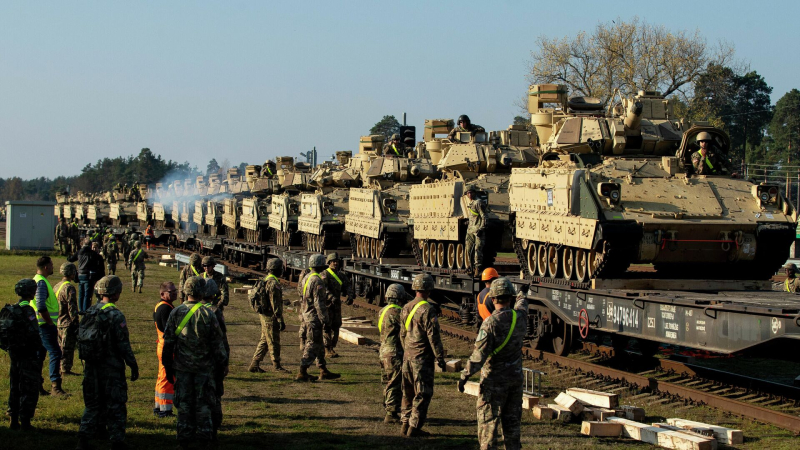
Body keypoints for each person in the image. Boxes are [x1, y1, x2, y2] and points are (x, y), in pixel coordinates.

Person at [458, 277, 528, 450]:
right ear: (510, 297)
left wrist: (464, 376)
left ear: (493, 299)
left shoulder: (489, 324)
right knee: (512, 429)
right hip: (515, 382)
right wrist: (522, 293)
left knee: (488, 428)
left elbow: (478, 356)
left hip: (494, 383)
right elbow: (522, 304)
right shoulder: (519, 317)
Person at [162, 277, 228, 449]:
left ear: (185, 291)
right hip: (204, 370)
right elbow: (218, 347)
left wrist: (168, 368)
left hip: (182, 369)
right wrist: (222, 368)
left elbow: (168, 344)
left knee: (184, 405)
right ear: (201, 292)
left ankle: (184, 440)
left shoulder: (175, 313)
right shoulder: (209, 314)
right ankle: (205, 439)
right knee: (204, 405)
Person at [76, 275, 139, 450]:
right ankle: (117, 441)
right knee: (116, 404)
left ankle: (84, 437)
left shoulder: (89, 311)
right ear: (115, 293)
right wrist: (132, 364)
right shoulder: (116, 315)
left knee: (93, 404)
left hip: (91, 365)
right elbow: (123, 344)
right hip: (111, 367)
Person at [400, 273, 445, 437]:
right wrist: (440, 357)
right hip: (421, 358)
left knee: (408, 391)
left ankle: (404, 423)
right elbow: (434, 337)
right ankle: (414, 427)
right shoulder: (428, 310)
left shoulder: (406, 307)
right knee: (423, 392)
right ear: (429, 289)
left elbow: (402, 334)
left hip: (407, 356)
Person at [3, 279, 46, 430]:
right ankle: (25, 421)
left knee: (15, 386)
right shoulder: (28, 310)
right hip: (28, 355)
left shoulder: (12, 309)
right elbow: (34, 334)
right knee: (29, 388)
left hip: (15, 354)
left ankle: (13, 420)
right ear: (31, 292)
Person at [295, 254, 340, 382]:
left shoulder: (307, 277)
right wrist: (325, 320)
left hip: (307, 313)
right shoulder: (318, 280)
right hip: (314, 316)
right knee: (312, 343)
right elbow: (319, 303)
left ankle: (323, 369)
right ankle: (302, 371)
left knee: (319, 344)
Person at [32, 256, 68, 396]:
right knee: (55, 353)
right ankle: (55, 386)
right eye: (52, 265)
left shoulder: (38, 280)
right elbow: (41, 306)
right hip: (44, 325)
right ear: (46, 267)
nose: (53, 267)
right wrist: (49, 323)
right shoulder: (41, 283)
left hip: (39, 325)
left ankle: (37, 385)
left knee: (40, 355)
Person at [202, 279, 230, 439]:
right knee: (214, 394)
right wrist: (225, 362)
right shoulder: (215, 312)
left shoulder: (184, 311)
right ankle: (213, 426)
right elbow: (222, 341)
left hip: (192, 362)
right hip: (212, 362)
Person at [249, 258, 287, 373]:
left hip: (264, 314)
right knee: (274, 340)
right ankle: (277, 365)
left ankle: (255, 364)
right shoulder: (274, 283)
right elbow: (275, 304)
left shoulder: (265, 280)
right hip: (271, 316)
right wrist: (280, 319)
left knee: (265, 339)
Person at [379, 283, 409, 424]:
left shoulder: (383, 311)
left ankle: (387, 406)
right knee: (394, 382)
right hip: (394, 351)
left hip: (383, 350)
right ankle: (391, 413)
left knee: (386, 380)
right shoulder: (398, 312)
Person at [321, 252, 354, 358]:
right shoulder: (325, 274)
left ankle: (332, 347)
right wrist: (331, 297)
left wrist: (350, 295)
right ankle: (327, 349)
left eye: (337, 262)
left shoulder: (341, 275)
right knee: (327, 327)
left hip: (337, 305)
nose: (335, 264)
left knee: (336, 326)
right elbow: (323, 289)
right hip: (327, 305)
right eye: (333, 262)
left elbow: (348, 285)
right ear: (329, 263)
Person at [153, 282, 177, 418]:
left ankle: (159, 405)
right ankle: (165, 409)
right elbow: (168, 330)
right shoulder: (165, 309)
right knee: (167, 378)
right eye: (171, 291)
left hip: (161, 345)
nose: (174, 293)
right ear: (162, 294)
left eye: (175, 290)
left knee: (161, 376)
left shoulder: (160, 306)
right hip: (166, 347)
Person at [54, 262, 80, 376]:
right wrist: (75, 321)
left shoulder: (57, 285)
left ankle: (59, 366)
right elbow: (72, 306)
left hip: (57, 320)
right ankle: (65, 369)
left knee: (60, 345)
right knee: (67, 347)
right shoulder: (69, 287)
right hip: (67, 322)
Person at [68, 239, 100, 312]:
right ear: (90, 245)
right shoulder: (91, 253)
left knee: (81, 293)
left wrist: (69, 255)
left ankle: (81, 309)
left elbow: (71, 259)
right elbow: (98, 259)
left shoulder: (79, 252)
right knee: (87, 294)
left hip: (80, 274)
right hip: (87, 274)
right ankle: (85, 310)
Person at [465, 186, 488, 277]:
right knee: (469, 250)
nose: (470, 194)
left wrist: (482, 228)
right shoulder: (471, 203)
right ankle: (471, 267)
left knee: (477, 250)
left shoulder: (478, 203)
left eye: (472, 193)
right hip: (470, 230)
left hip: (478, 230)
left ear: (475, 193)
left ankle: (477, 269)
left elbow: (484, 216)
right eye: (468, 193)